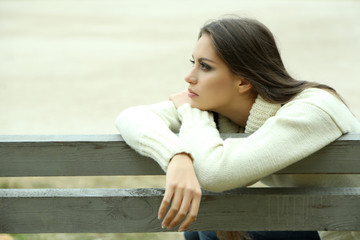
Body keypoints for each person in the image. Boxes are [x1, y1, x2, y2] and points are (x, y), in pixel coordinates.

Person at [115, 16, 360, 240]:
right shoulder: (217, 106)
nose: (189, 77)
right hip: (312, 220)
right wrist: (176, 156)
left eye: (205, 66)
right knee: (204, 225)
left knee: (209, 223)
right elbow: (131, 116)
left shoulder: (313, 108)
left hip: (343, 230)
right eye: (193, 63)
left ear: (243, 81)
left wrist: (190, 112)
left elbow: (215, 175)